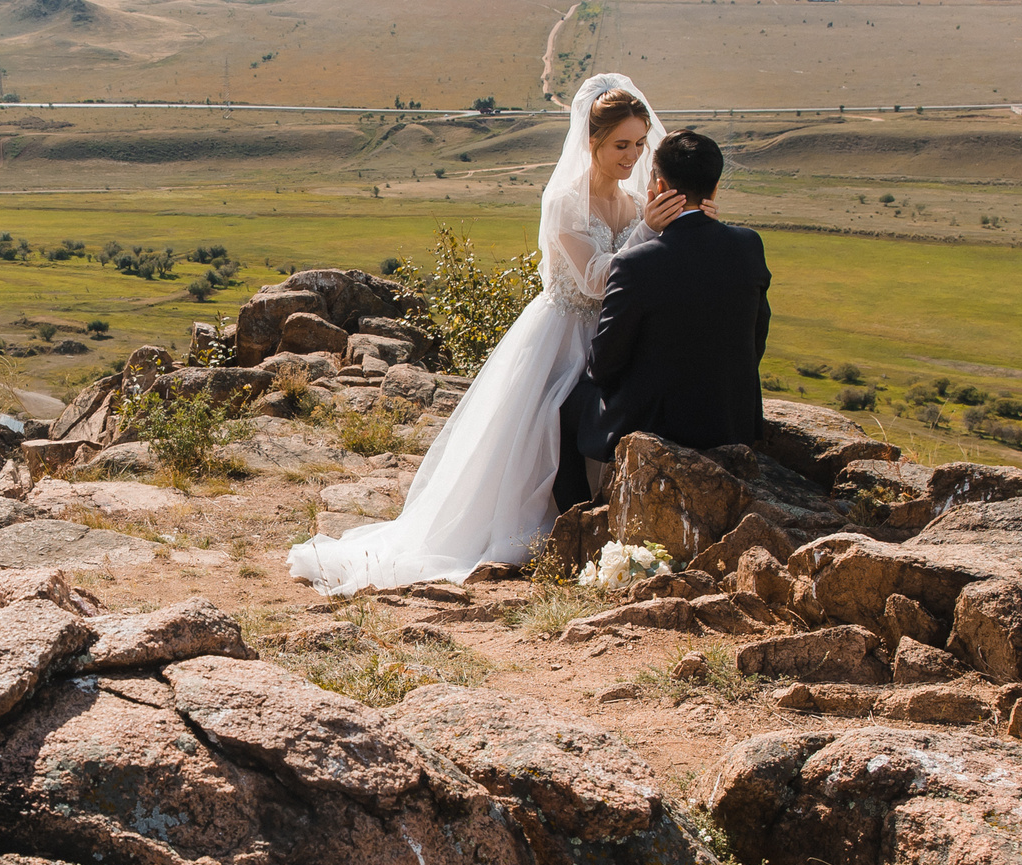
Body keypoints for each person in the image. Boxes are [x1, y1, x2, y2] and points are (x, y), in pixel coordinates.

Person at [287, 73, 710, 595]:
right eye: (622, 144)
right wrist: (649, 231)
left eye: (640, 145)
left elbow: (649, 270)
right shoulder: (565, 203)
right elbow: (599, 277)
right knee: (541, 432)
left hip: (610, 334)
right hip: (560, 336)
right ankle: (544, 527)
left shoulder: (630, 203)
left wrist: (687, 223)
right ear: (592, 141)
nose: (632, 156)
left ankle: (596, 526)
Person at [559, 129, 770, 506]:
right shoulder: (749, 244)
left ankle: (580, 514)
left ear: (658, 184)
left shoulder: (635, 263)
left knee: (561, 408)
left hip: (658, 425)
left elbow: (605, 365)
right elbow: (756, 339)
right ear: (716, 188)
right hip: (732, 418)